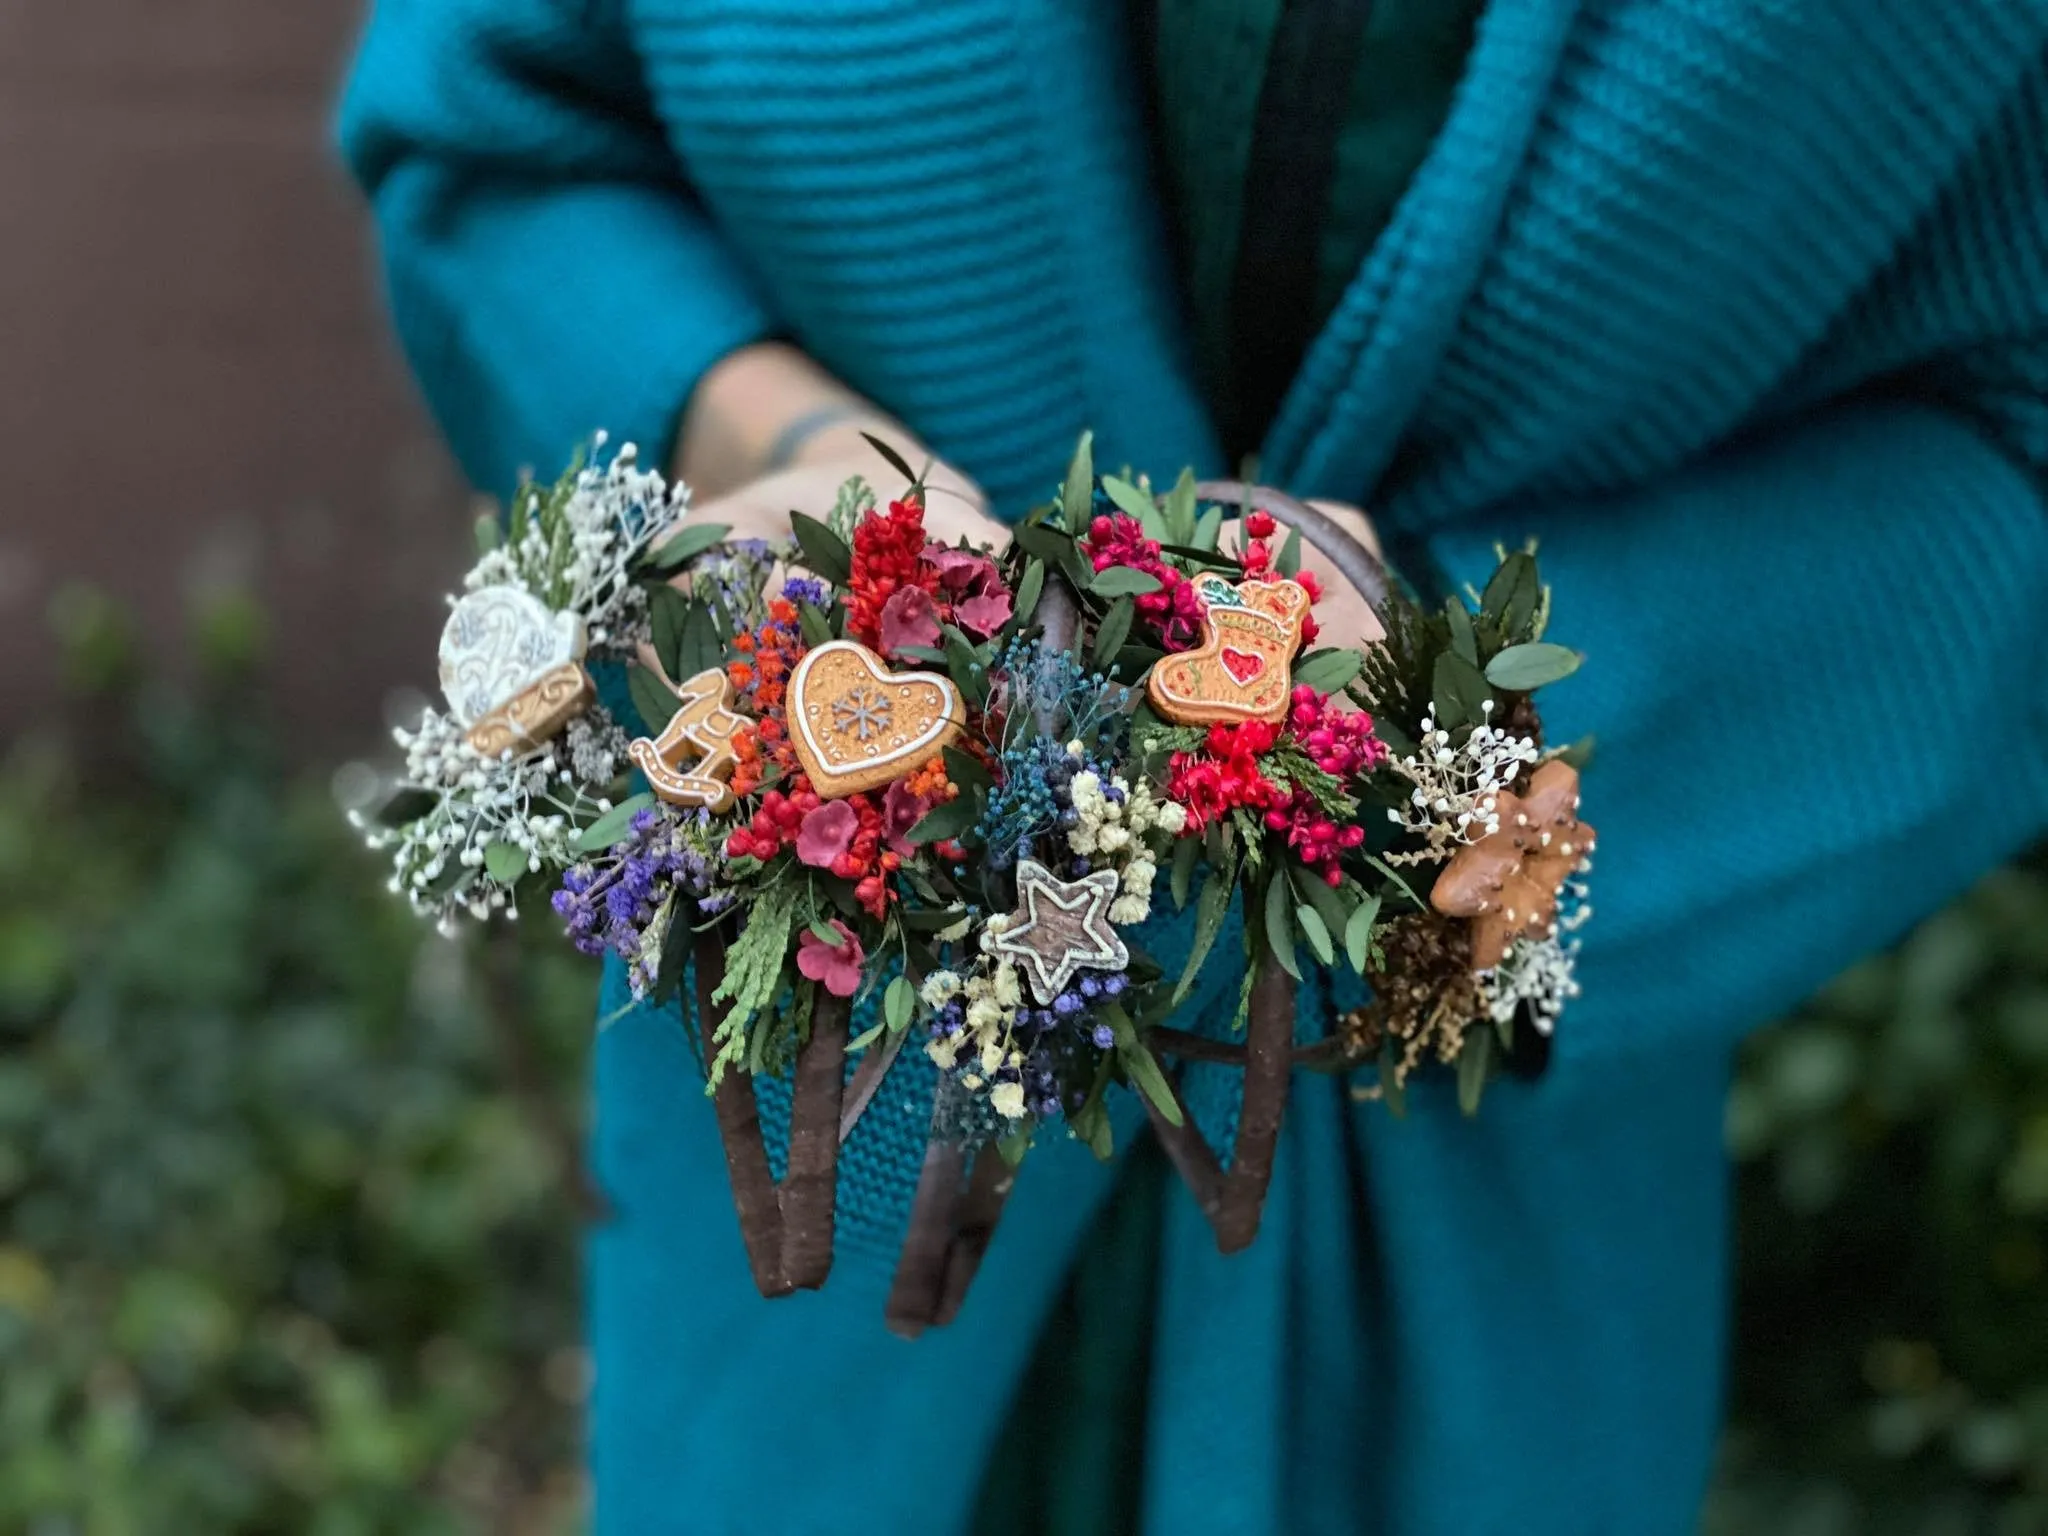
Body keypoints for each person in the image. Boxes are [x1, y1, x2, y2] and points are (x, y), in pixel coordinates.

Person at [338, 2, 2048, 1530]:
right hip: (817, 1179)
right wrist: (800, 458)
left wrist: (1453, 695)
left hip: (1479, 1234)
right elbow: (496, 133)